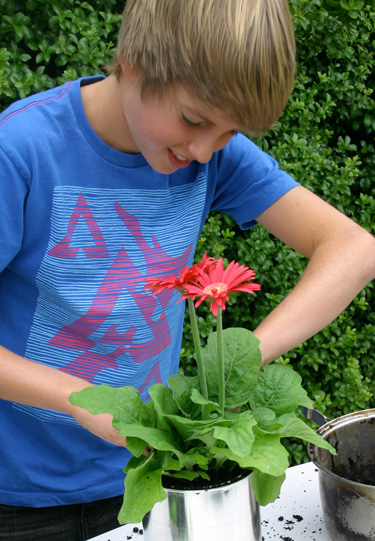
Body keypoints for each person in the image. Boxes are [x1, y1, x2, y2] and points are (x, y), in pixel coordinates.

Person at [0, 0, 374, 539]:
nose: (203, 150)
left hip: (150, 476)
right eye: (194, 120)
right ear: (132, 61)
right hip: (17, 500)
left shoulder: (212, 156)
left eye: (227, 133)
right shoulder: (22, 152)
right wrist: (77, 401)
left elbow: (353, 249)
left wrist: (244, 358)